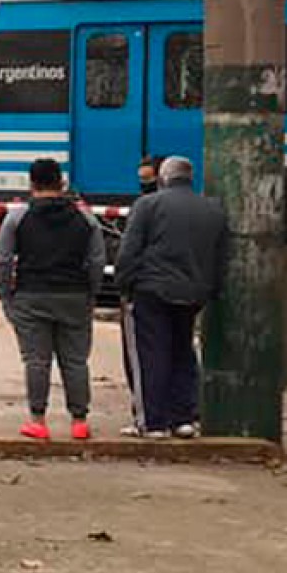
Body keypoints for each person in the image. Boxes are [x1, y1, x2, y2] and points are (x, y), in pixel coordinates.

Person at [114, 156, 227, 439]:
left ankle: (152, 422)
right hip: (193, 293)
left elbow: (129, 250)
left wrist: (124, 284)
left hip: (151, 290)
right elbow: (221, 255)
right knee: (183, 351)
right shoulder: (212, 209)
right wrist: (211, 288)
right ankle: (184, 419)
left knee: (149, 355)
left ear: (163, 178)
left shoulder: (147, 205)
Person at [0, 158, 104, 441]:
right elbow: (96, 261)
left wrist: (7, 296)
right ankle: (79, 422)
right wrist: (90, 293)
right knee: (76, 362)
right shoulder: (86, 219)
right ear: (61, 183)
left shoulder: (17, 217)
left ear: (31, 183)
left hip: (31, 296)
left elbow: (3, 260)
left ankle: (38, 421)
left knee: (36, 361)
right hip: (75, 296)